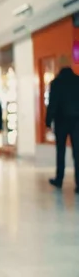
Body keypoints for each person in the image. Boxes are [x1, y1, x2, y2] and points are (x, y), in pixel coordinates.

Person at [45, 64, 79, 193]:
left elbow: (52, 104)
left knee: (61, 151)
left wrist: (48, 122)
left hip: (61, 121)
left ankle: (59, 179)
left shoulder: (56, 83)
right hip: (77, 122)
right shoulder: (77, 81)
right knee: (77, 152)